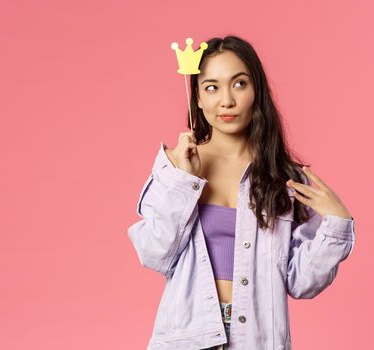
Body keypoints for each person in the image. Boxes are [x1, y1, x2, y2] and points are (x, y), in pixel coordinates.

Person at [128, 35, 356, 350]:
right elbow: (156, 254)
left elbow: (301, 283)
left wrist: (336, 225)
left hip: (259, 340)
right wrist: (183, 182)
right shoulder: (175, 166)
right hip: (187, 336)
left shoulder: (282, 177)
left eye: (238, 84)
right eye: (212, 87)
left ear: (256, 92)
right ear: (197, 97)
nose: (226, 101)